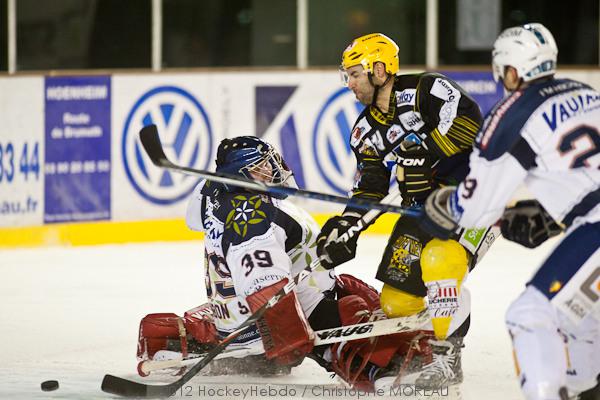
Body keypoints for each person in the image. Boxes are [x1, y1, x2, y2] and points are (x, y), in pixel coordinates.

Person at [136, 136, 435, 390]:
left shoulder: (212, 194)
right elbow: (263, 283)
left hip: (238, 314)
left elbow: (200, 209)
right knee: (353, 306)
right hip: (265, 325)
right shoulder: (254, 217)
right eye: (263, 165)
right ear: (243, 174)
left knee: (348, 287)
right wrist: (287, 339)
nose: (274, 169)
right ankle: (378, 367)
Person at [421, 23, 600, 400]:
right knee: (579, 324)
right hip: (590, 221)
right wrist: (552, 215)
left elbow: (476, 208)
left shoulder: (512, 112)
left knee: (531, 314)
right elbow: (583, 176)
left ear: (512, 70)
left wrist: (449, 206)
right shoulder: (584, 92)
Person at [316, 33, 499, 389]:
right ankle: (430, 339)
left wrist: (426, 152)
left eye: (354, 73)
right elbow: (370, 187)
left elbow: (470, 123)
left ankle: (448, 358)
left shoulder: (427, 90)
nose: (349, 83)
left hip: (468, 200)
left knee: (439, 262)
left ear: (380, 69)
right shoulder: (364, 130)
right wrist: (346, 225)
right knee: (398, 303)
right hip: (419, 213)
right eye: (347, 75)